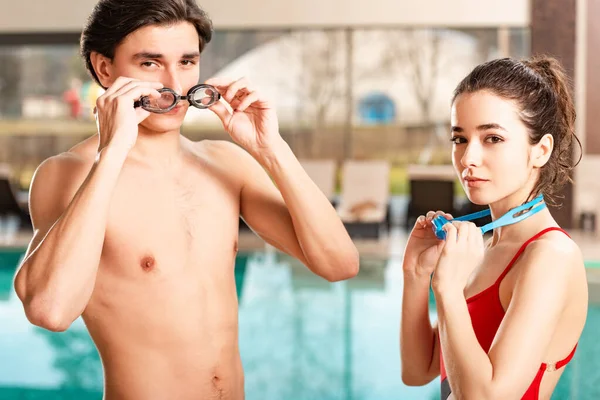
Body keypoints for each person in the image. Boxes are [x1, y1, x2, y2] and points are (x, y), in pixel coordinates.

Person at [13, 1, 359, 399]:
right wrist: (113, 150)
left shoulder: (226, 163)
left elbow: (340, 264)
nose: (174, 84)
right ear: (105, 68)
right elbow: (50, 311)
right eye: (150, 63)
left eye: (187, 61)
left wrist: (272, 148)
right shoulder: (68, 173)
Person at [399, 56, 587, 399]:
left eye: (493, 139)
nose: (468, 158)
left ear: (541, 150)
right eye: (460, 139)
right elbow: (418, 371)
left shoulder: (550, 256)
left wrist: (449, 289)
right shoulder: (483, 246)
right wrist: (414, 274)